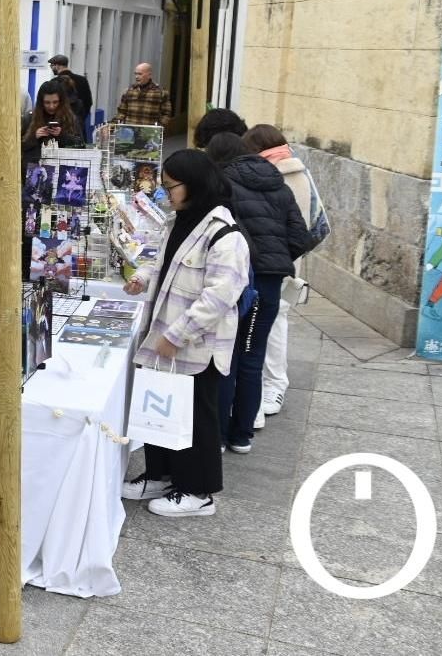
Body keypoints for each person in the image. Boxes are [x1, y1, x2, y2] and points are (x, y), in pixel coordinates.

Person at [121, 150, 251, 517]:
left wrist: (176, 335)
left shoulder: (224, 235)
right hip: (166, 338)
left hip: (196, 346)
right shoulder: (178, 221)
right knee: (162, 409)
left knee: (195, 417)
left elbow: (219, 297)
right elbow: (160, 261)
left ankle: (198, 492)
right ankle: (162, 475)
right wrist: (142, 277)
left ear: (194, 185)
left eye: (170, 187)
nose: (165, 195)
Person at [205, 133, 311, 455]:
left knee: (227, 359)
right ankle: (242, 435)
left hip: (241, 283)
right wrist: (276, 262)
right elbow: (301, 237)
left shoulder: (223, 186)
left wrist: (250, 261)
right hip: (269, 284)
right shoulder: (279, 185)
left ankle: (221, 435)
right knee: (252, 358)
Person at [241, 124, 317, 420]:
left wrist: (277, 258)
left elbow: (298, 227)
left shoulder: (288, 174)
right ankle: (265, 388)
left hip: (276, 264)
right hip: (277, 261)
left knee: (273, 324)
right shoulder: (284, 168)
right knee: (267, 326)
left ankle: (273, 386)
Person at [22, 79, 85, 161]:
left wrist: (62, 135)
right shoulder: (30, 118)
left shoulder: (70, 118)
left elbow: (81, 145)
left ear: (61, 101)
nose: (51, 106)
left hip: (62, 167)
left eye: (55, 102)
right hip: (35, 169)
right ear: (41, 102)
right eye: (47, 103)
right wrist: (34, 136)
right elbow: (19, 147)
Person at [114, 63, 174, 129]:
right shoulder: (128, 91)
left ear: (149, 75)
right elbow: (121, 113)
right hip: (130, 133)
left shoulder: (161, 92)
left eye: (140, 74)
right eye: (135, 74)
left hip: (150, 133)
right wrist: (111, 126)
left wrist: (158, 128)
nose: (136, 77)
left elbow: (166, 114)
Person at [48, 55, 93, 138]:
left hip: (59, 129)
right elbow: (88, 102)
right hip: (78, 126)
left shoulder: (54, 82)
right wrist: (80, 118)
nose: (51, 68)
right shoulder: (82, 80)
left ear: (57, 65)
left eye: (52, 66)